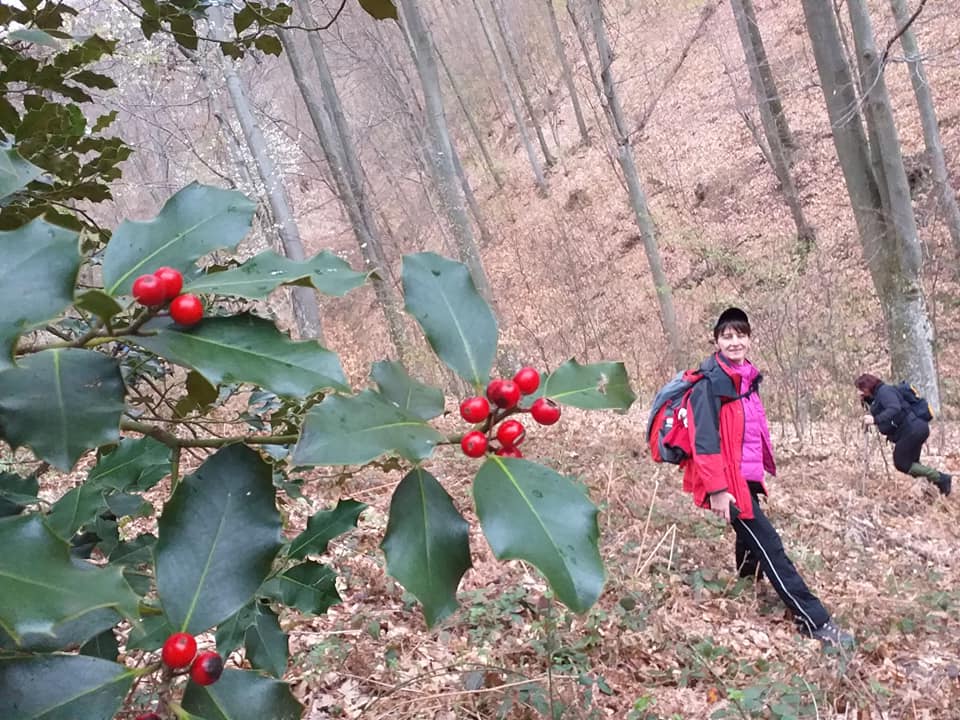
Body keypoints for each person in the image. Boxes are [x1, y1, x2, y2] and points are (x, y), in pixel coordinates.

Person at [680, 307, 853, 647]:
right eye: (727, 336)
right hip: (726, 480)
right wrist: (717, 490)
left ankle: (748, 586)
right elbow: (705, 442)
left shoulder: (745, 376)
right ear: (716, 342)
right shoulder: (709, 383)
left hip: (745, 473)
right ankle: (815, 622)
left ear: (749, 339)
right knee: (769, 544)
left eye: (740, 335)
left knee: (749, 538)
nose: (735, 342)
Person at [855, 373, 951, 496]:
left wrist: (875, 420)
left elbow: (894, 408)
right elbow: (880, 406)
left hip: (912, 430)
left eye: (861, 389)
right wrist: (866, 399)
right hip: (915, 429)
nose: (859, 392)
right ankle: (934, 488)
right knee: (913, 464)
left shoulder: (885, 391)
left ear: (868, 386)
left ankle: (942, 479)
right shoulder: (879, 395)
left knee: (901, 463)